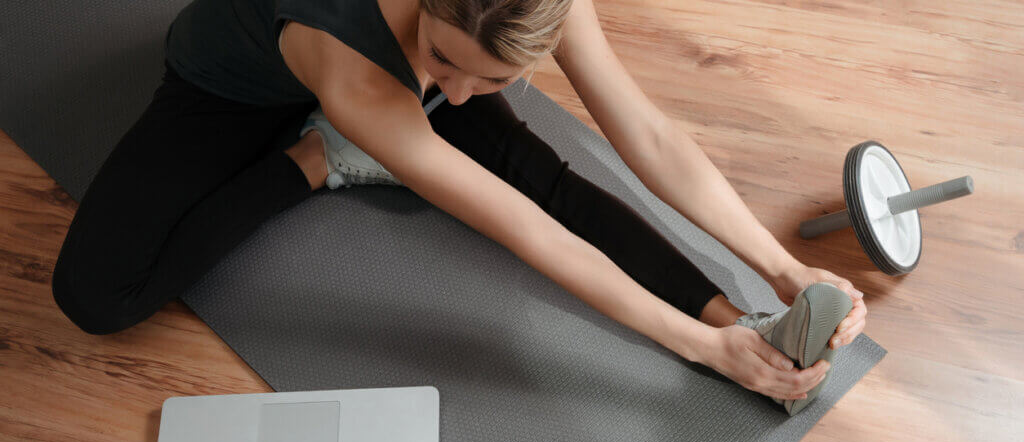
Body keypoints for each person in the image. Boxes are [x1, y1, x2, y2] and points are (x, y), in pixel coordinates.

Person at [50, 0, 867, 407]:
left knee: (541, 169)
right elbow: (528, 233)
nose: (464, 93)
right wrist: (691, 351)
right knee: (96, 295)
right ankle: (318, 157)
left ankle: (743, 324)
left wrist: (783, 266)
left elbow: (648, 138)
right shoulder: (359, 73)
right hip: (239, 82)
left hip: (396, 87)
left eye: (496, 79)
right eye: (448, 58)